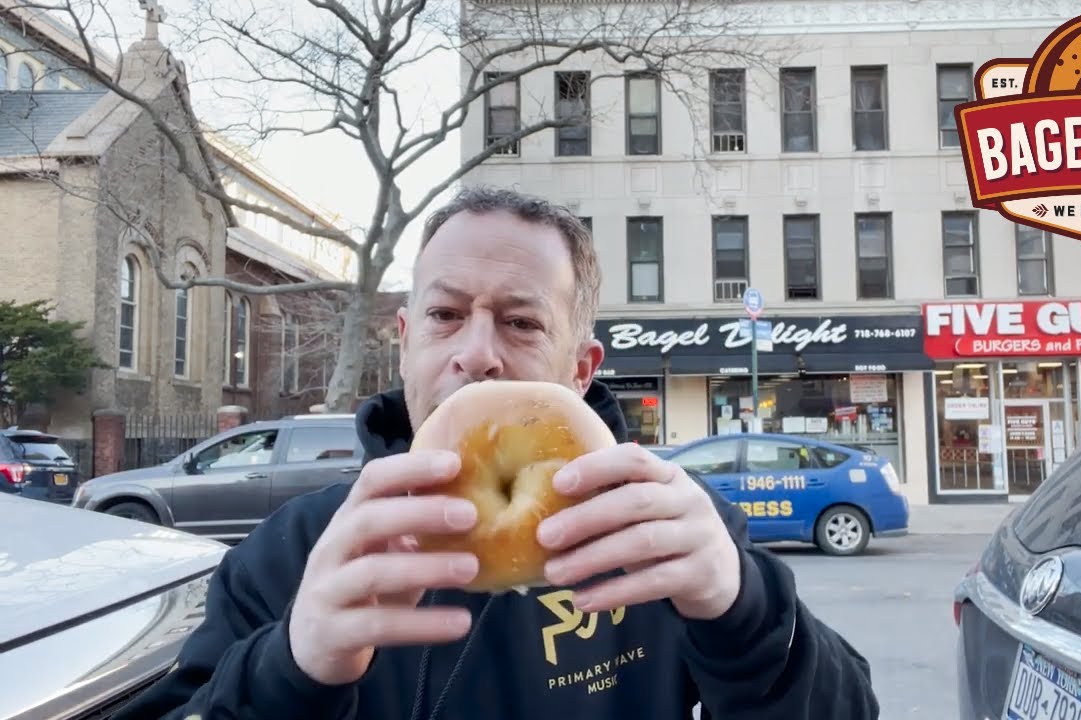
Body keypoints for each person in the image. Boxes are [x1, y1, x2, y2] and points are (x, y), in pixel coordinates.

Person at [116, 186, 880, 720]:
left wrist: (748, 614)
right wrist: (288, 670)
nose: (477, 353)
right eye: (445, 315)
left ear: (580, 369)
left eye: (520, 323)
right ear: (405, 342)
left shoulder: (666, 537)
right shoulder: (295, 553)